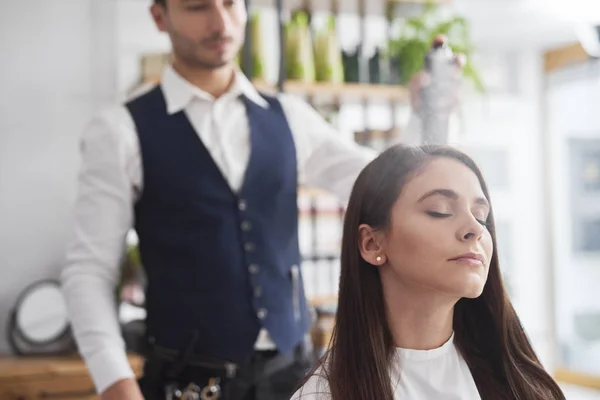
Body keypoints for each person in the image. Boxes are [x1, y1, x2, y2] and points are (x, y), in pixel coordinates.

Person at [60, 1, 461, 399]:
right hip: (188, 383)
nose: (220, 22)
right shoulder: (120, 131)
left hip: (296, 377)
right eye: (198, 7)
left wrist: (424, 116)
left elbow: (388, 185)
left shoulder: (288, 116)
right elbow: (89, 271)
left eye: (231, 4)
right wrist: (115, 383)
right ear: (160, 16)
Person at [290, 144, 566, 400]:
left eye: (481, 216)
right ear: (372, 242)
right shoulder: (324, 395)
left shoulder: (519, 378)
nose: (476, 229)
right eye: (440, 211)